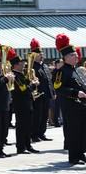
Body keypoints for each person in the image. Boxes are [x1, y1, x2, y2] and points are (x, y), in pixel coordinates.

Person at [52, 34, 86, 165]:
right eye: (73, 55)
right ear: (65, 58)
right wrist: (76, 93)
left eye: (76, 55)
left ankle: (80, 153)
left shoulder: (74, 70)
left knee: (82, 131)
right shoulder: (61, 71)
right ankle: (73, 156)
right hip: (71, 106)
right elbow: (59, 88)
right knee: (74, 131)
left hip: (80, 105)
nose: (76, 56)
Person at [9, 48, 37, 154]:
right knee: (21, 126)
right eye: (21, 63)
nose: (24, 65)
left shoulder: (21, 75)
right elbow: (24, 89)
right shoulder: (15, 76)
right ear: (16, 65)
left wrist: (32, 83)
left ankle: (28, 144)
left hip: (27, 103)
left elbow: (27, 88)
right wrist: (33, 85)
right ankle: (21, 147)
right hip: (21, 104)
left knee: (28, 125)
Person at [30, 39, 53, 142]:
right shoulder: (32, 66)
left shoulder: (44, 65)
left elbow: (49, 80)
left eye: (41, 53)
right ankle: (34, 134)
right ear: (34, 55)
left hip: (46, 94)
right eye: (39, 54)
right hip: (38, 95)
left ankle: (42, 133)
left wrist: (53, 92)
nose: (41, 55)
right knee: (37, 116)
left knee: (44, 115)